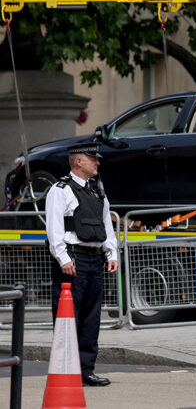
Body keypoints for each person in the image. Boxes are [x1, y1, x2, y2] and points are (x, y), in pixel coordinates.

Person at [46, 142, 119, 387]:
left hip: (93, 259)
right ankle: (66, 370)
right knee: (68, 317)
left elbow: (106, 225)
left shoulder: (97, 190)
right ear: (79, 162)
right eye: (93, 159)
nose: (97, 162)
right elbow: (54, 229)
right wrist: (64, 258)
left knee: (91, 318)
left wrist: (112, 254)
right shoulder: (60, 190)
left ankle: (86, 370)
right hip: (73, 259)